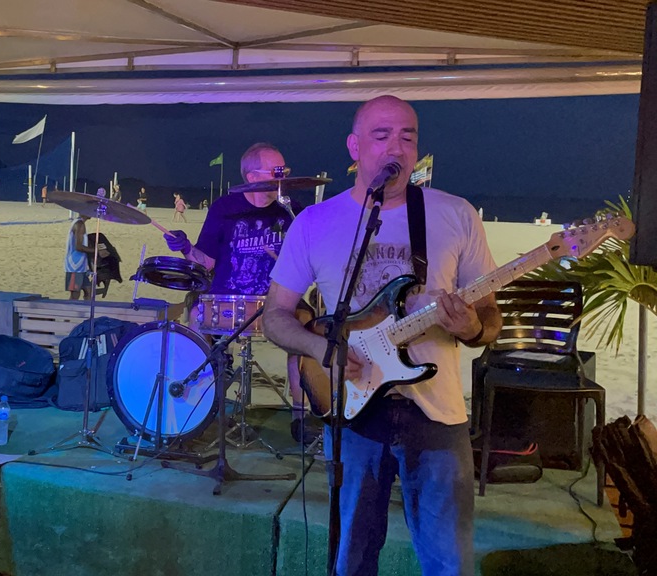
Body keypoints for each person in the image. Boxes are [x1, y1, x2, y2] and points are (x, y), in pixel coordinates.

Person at [263, 95, 502, 575]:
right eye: (382, 135)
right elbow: (275, 316)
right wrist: (322, 348)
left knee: (450, 563)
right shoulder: (315, 222)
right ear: (354, 147)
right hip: (351, 414)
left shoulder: (455, 214)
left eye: (408, 136)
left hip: (437, 413)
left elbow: (490, 316)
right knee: (351, 559)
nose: (397, 146)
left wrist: (473, 327)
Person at [164, 142, 319, 444]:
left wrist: (294, 263)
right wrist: (184, 247)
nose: (283, 176)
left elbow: (310, 265)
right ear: (252, 177)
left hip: (277, 303)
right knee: (195, 318)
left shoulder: (291, 210)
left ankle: (301, 417)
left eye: (284, 170)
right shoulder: (224, 209)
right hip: (228, 300)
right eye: (276, 171)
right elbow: (206, 262)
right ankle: (200, 409)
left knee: (307, 327)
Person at [66, 213, 108, 300]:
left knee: (88, 291)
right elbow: (78, 247)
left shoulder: (79, 223)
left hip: (80, 265)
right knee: (75, 294)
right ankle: (72, 308)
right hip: (75, 265)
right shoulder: (80, 225)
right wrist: (96, 251)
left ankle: (85, 308)